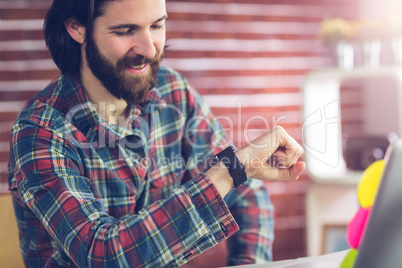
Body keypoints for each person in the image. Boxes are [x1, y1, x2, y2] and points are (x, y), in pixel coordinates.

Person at [7, 0, 305, 267]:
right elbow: (104, 256)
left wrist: (249, 264)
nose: (149, 49)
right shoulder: (40, 131)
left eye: (157, 25)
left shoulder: (173, 91)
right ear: (77, 28)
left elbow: (247, 194)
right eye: (125, 31)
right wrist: (229, 171)